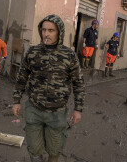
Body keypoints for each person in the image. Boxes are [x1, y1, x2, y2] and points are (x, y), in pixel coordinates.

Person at [12, 15, 85, 162]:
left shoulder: (69, 55)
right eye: (44, 30)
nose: (46, 34)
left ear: (59, 32)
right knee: (33, 148)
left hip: (57, 113)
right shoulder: (33, 52)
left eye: (51, 30)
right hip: (34, 108)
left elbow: (78, 82)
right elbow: (22, 77)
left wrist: (78, 109)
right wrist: (16, 100)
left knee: (55, 149)